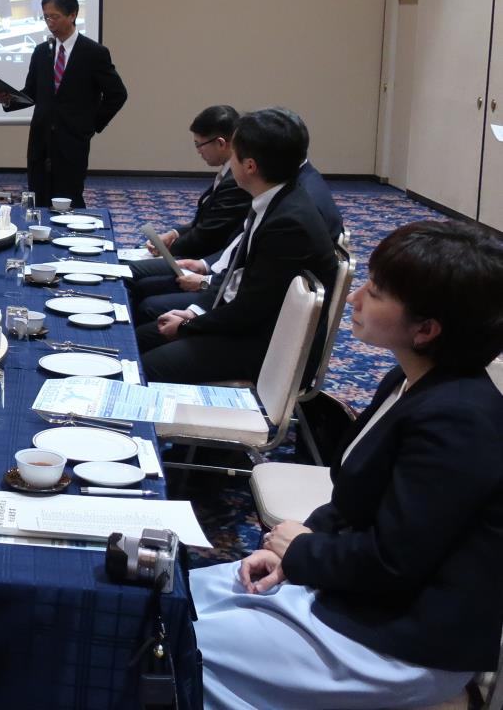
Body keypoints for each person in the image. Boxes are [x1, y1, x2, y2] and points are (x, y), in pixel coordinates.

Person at [191, 220, 503, 710]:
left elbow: (394, 563)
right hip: (366, 599)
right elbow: (357, 501)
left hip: (403, 641)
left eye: (375, 293)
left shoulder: (459, 420)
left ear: (426, 329)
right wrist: (292, 547)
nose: (355, 298)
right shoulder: (410, 381)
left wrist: (304, 554)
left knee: (174, 645)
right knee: (178, 592)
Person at [135, 108, 337, 385]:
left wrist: (189, 326)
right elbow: (232, 273)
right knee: (139, 339)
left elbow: (251, 310)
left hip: (267, 347)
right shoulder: (275, 198)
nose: (230, 161)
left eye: (234, 155)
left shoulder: (289, 224)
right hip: (249, 326)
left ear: (250, 166)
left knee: (146, 366)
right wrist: (194, 313)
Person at [0, 0, 127, 208]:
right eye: (45, 16)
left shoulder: (94, 52)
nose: (49, 22)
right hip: (40, 138)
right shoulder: (41, 52)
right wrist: (8, 99)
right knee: (39, 196)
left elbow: (118, 94)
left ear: (72, 15)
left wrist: (91, 125)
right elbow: (32, 93)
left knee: (69, 197)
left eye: (54, 16)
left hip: (73, 138)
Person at [126, 105, 252, 303]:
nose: (198, 151)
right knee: (133, 268)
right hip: (204, 257)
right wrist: (174, 234)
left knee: (132, 271)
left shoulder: (236, 182)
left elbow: (207, 235)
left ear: (220, 143)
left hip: (206, 259)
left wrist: (167, 249)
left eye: (199, 144)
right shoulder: (227, 173)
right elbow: (206, 221)